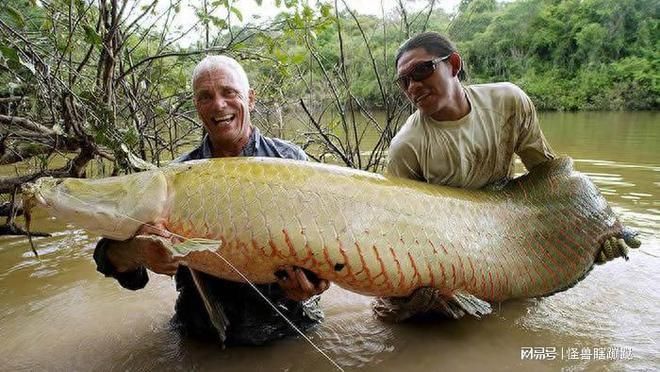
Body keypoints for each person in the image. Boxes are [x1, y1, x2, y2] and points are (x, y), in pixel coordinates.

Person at [93, 55, 329, 345]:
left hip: (288, 328)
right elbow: (110, 260)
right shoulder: (173, 178)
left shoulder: (292, 162)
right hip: (202, 333)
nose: (218, 105)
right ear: (197, 107)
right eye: (206, 97)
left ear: (251, 99)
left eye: (229, 92)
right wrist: (137, 252)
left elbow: (327, 247)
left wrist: (314, 284)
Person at [376, 32, 556, 321]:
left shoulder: (508, 101)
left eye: (421, 70)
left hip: (502, 228)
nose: (413, 86)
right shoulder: (406, 146)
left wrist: (593, 225)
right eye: (404, 81)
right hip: (442, 244)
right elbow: (395, 226)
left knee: (520, 311)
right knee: (391, 315)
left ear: (454, 64)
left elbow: (547, 175)